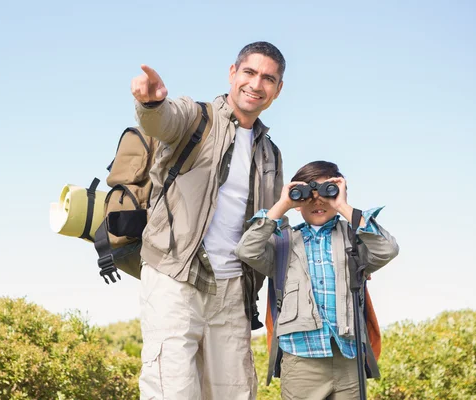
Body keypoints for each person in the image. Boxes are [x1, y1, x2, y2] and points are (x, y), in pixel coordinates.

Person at [130, 41, 286, 400]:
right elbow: (163, 121)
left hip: (232, 288)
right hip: (174, 276)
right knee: (171, 390)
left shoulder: (270, 153)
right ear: (233, 74)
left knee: (235, 393)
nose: (256, 84)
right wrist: (150, 103)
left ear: (277, 90)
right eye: (249, 72)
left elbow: (274, 229)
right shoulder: (197, 118)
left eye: (268, 78)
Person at [236, 160, 400, 399]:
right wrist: (282, 204)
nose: (318, 201)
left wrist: (343, 206)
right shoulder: (283, 242)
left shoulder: (355, 237)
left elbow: (387, 249)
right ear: (297, 203)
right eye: (308, 195)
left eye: (326, 192)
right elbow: (246, 250)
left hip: (348, 356)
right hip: (301, 358)